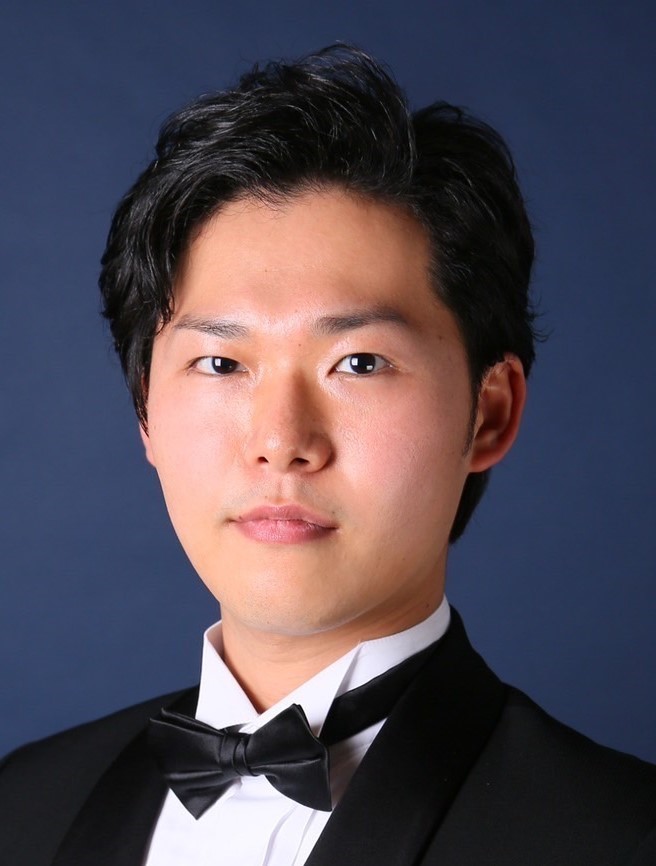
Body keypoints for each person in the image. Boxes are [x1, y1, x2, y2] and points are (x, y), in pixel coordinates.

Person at [1, 45, 654, 866]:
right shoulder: (23, 807)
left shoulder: (619, 837)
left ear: (489, 414)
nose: (281, 442)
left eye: (360, 362)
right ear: (145, 412)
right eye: (221, 363)